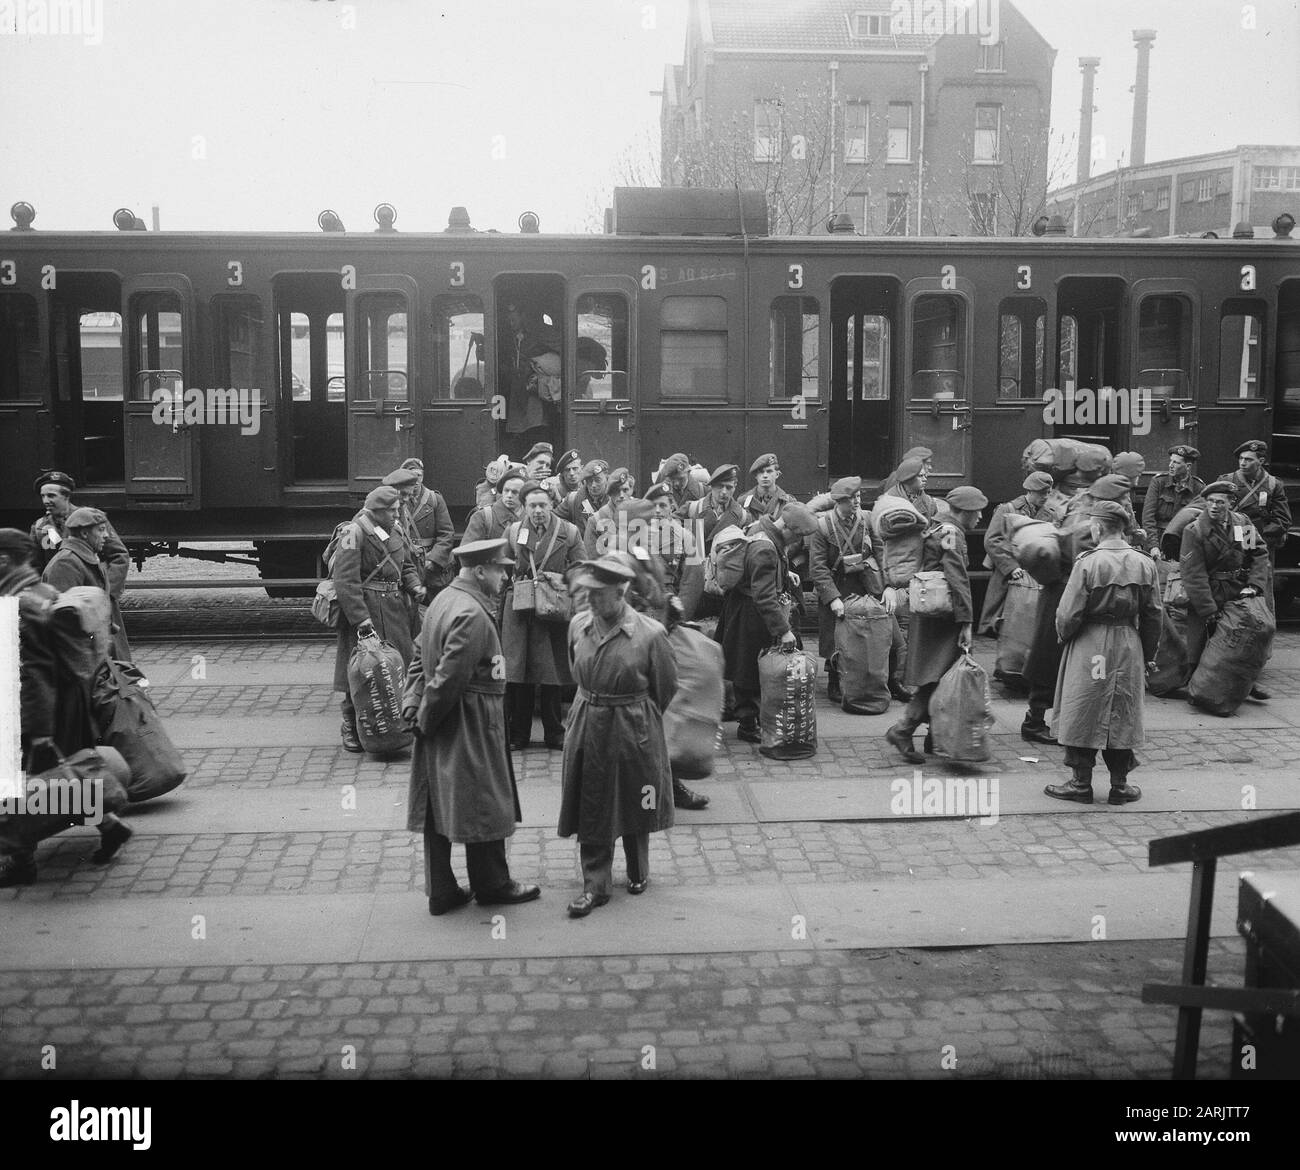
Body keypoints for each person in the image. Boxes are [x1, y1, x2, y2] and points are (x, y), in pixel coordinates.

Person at [402, 538, 541, 915]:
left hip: (442, 717)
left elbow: (419, 654)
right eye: (500, 569)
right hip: (469, 718)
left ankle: (442, 890)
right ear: (480, 571)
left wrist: (415, 705)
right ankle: (493, 883)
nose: (505, 576)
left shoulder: (443, 601)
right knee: (485, 798)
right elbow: (450, 678)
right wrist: (427, 716)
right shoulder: (472, 614)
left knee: (437, 804)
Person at [0, 529, 133, 887]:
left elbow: (34, 674)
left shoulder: (19, 605)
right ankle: (108, 825)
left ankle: (20, 863)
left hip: (37, 710)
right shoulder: (42, 591)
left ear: (3, 560)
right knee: (62, 777)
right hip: (67, 701)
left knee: (20, 787)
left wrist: (38, 732)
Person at [558, 555, 679, 918]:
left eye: (599, 594)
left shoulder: (650, 634)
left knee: (635, 795)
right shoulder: (579, 625)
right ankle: (595, 885)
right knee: (592, 801)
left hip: (632, 725)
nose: (590, 601)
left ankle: (638, 870)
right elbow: (576, 670)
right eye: (586, 593)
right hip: (588, 722)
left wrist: (636, 711)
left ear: (622, 591)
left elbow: (665, 687)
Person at [1045, 500, 1161, 805]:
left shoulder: (1088, 562)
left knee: (1083, 707)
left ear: (1098, 527)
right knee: (1122, 710)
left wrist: (1065, 637)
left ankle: (1080, 783)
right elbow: (1153, 615)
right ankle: (1120, 786)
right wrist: (1148, 654)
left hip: (1090, 642)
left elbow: (1068, 614)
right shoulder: (1144, 562)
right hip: (1128, 642)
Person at [884, 487, 986, 764]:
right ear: (963, 511)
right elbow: (957, 578)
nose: (979, 516)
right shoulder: (951, 532)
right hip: (943, 620)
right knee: (938, 678)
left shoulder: (937, 525)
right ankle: (903, 730)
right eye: (976, 511)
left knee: (940, 677)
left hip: (932, 615)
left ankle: (933, 736)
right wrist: (966, 621)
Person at [716, 503, 819, 743]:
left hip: (745, 611)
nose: (798, 541)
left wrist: (784, 575)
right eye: (799, 535)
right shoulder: (766, 548)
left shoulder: (761, 529)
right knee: (749, 671)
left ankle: (751, 718)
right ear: (789, 529)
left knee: (747, 666)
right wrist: (783, 631)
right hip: (752, 617)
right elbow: (763, 595)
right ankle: (747, 723)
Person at [331, 485, 423, 753]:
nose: (397, 514)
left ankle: (394, 727)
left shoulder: (395, 529)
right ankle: (351, 726)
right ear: (375, 511)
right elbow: (345, 581)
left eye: (397, 509)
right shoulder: (354, 532)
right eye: (392, 510)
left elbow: (405, 564)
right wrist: (361, 620)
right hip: (367, 611)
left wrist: (415, 585)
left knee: (397, 670)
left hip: (395, 612)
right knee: (360, 671)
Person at [502, 482, 585, 750]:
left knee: (552, 674)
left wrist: (561, 579)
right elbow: (501, 567)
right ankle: (519, 733)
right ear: (524, 507)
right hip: (521, 609)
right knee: (519, 673)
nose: (538, 511)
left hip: (553, 608)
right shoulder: (514, 532)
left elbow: (582, 569)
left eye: (543, 505)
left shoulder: (569, 532)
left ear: (551, 505)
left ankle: (554, 732)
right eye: (532, 506)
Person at [808, 476, 901, 704]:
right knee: (834, 637)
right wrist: (832, 598)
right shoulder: (822, 527)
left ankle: (888, 681)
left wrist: (889, 586)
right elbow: (818, 568)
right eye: (852, 498)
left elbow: (882, 554)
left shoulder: (867, 520)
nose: (857, 501)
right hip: (837, 585)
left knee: (884, 632)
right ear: (839, 501)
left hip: (865, 584)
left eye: (858, 496)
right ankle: (834, 680)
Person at [1178, 479, 1271, 702]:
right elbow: (1193, 574)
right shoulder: (1195, 531)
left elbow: (1258, 553)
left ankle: (1246, 684)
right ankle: (1197, 688)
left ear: (1231, 502)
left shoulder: (1242, 523)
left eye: (1220, 502)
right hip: (1208, 592)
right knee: (1200, 643)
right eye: (1210, 501)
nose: (1214, 506)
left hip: (1237, 590)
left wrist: (1254, 585)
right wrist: (1208, 610)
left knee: (1240, 641)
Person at [41, 507, 132, 662]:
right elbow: (64, 623)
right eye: (101, 530)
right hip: (84, 660)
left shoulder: (85, 558)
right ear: (84, 534)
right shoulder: (66, 564)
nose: (106, 535)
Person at [979, 470, 1053, 637]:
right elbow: (992, 540)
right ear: (1030, 491)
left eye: (1048, 492)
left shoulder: (1050, 514)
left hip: (1036, 577)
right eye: (1042, 493)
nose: (1046, 496)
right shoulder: (1007, 509)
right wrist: (1012, 567)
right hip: (1010, 575)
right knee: (1004, 625)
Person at [30, 471, 131, 592]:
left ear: (66, 496)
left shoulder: (90, 520)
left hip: (92, 595)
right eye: (43, 496)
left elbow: (119, 556)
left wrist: (107, 592)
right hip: (58, 595)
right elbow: (34, 567)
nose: (46, 501)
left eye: (51, 496)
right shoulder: (39, 527)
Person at [677, 464, 746, 621]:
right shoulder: (694, 508)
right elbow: (669, 527)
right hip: (698, 581)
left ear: (735, 487)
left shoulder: (742, 516)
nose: (724, 492)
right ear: (711, 486)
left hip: (725, 585)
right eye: (719, 487)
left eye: (729, 487)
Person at [398, 458, 456, 599]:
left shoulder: (434, 499)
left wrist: (434, 559)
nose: (416, 480)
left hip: (428, 561)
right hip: (405, 559)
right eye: (412, 475)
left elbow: (447, 534)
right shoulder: (397, 501)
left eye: (419, 476)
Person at [501, 302, 552, 457]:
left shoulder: (536, 337)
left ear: (523, 316)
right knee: (517, 433)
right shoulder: (506, 338)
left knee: (535, 429)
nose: (511, 321)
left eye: (514, 317)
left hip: (532, 390)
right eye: (508, 318)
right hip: (515, 392)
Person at [1142, 445, 1205, 559]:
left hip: (1183, 542)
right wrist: (1153, 546)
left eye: (1176, 462)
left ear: (1188, 466)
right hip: (1158, 540)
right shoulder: (1159, 482)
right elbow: (1148, 517)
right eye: (1171, 461)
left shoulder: (1199, 487)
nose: (1170, 465)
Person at [464, 469, 526, 544]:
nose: (509, 496)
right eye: (506, 491)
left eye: (515, 492)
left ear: (524, 494)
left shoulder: (529, 517)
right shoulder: (482, 517)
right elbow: (466, 552)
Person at [739, 454, 794, 524]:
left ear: (777, 474)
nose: (765, 476)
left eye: (769, 471)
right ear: (756, 475)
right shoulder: (744, 501)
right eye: (761, 472)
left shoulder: (788, 502)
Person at [556, 459, 611, 526]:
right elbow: (552, 520)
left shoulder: (617, 499)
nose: (593, 485)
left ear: (607, 479)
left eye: (598, 480)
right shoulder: (573, 499)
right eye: (590, 481)